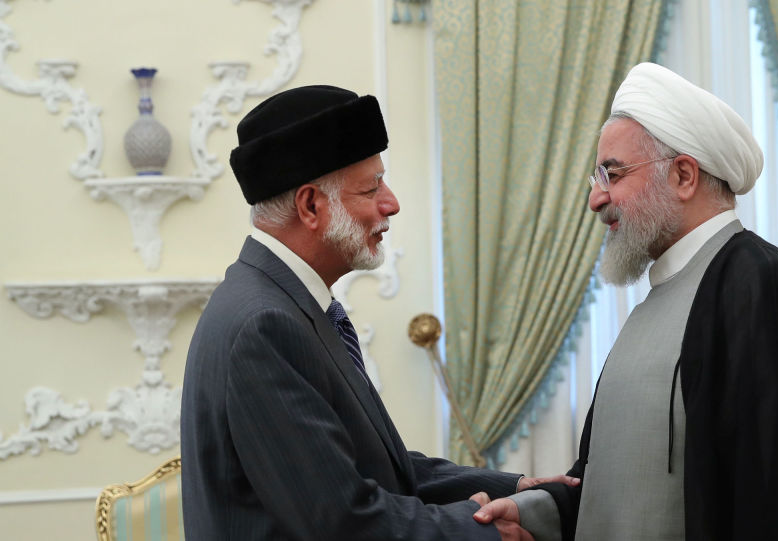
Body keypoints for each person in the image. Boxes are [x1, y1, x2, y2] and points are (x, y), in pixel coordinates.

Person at [472, 63, 778, 540]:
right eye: (596, 178)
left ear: (683, 175)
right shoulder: (659, 298)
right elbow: (617, 476)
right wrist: (533, 512)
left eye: (612, 174)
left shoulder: (760, 285)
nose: (596, 199)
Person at [180, 85, 574, 540]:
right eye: (371, 188)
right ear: (311, 206)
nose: (392, 203)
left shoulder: (283, 303)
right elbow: (343, 521)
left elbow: (382, 468)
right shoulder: (265, 326)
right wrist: (488, 532)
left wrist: (517, 489)